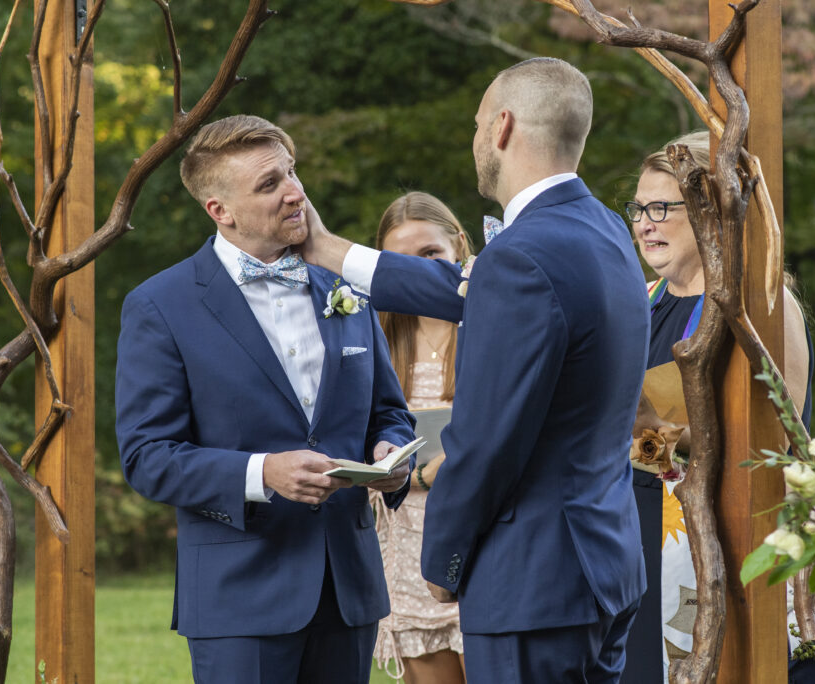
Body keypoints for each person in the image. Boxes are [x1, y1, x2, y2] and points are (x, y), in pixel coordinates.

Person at [302, 57, 650, 683]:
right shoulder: (604, 229)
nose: (473, 140)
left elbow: (489, 437)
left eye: (475, 124)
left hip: (533, 583)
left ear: (502, 126)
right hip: (603, 565)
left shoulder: (522, 255)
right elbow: (463, 286)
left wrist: (444, 559)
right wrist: (327, 249)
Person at [114, 115, 417, 684]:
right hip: (240, 596)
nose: (295, 192)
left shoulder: (345, 288)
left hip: (347, 588)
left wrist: (391, 455)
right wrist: (261, 473)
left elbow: (389, 411)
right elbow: (146, 456)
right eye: (269, 184)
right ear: (219, 210)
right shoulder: (161, 306)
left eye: (291, 172)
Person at [623, 130, 813, 682]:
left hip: (717, 544)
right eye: (638, 208)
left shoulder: (762, 311)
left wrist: (655, 431)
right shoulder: (639, 305)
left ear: (710, 213)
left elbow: (780, 442)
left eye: (662, 207)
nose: (644, 222)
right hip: (628, 542)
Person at [370, 192, 471, 684]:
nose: (419, 274)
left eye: (431, 256)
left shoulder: (486, 324)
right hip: (408, 541)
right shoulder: (378, 334)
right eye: (400, 262)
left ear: (460, 247)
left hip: (480, 534)